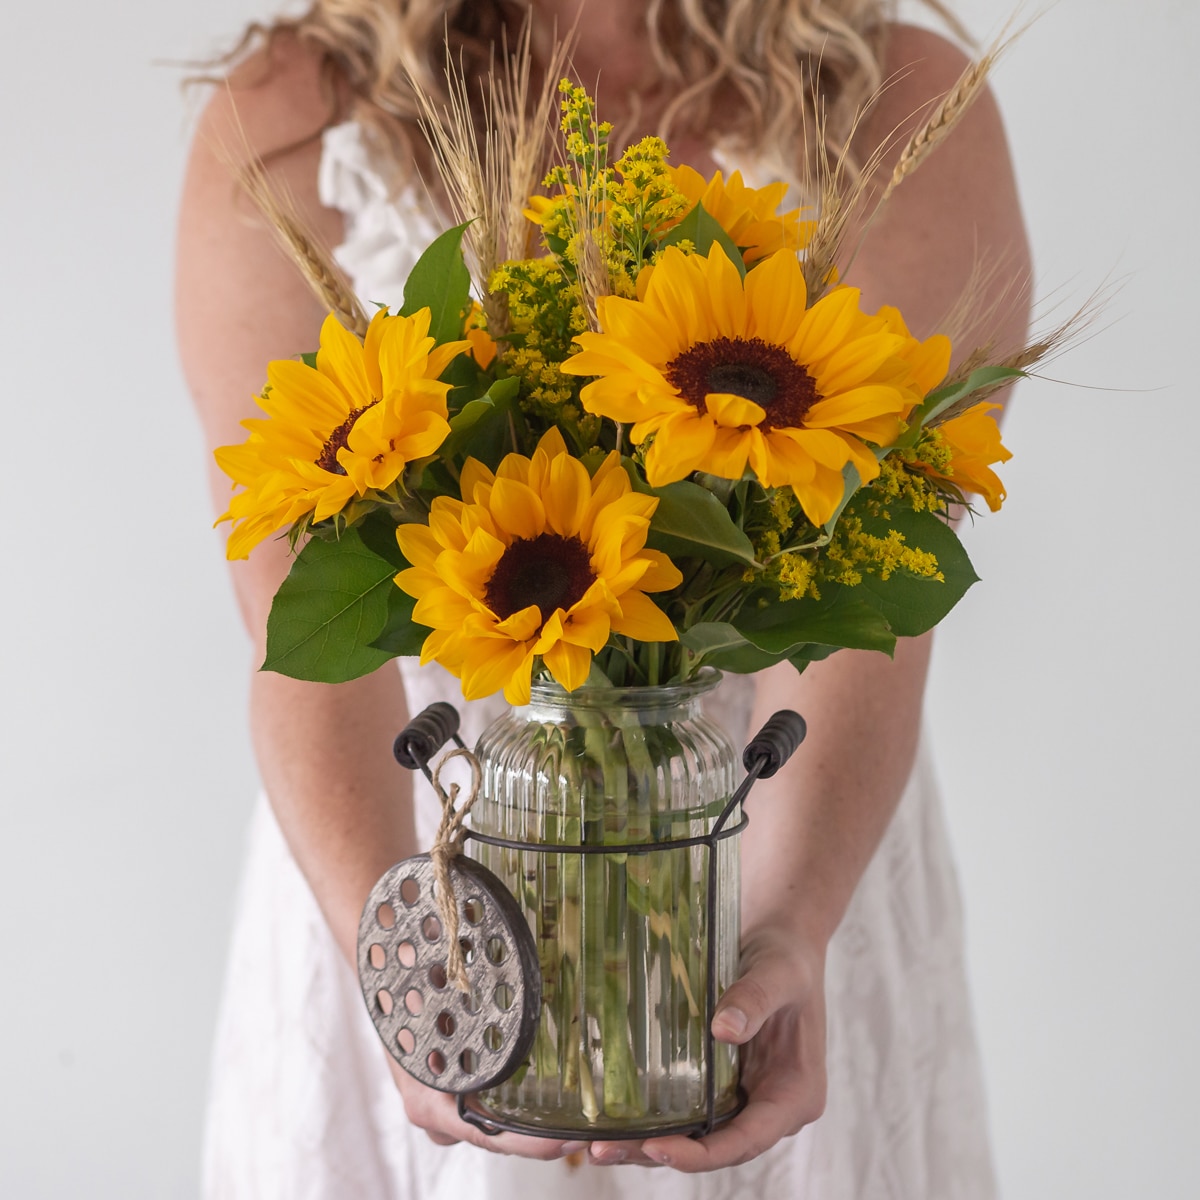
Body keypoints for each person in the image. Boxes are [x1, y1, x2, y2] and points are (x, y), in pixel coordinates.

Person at [177, 1, 1030, 1194]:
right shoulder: (288, 114)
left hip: (786, 845)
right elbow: (304, 630)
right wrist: (411, 963)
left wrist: (782, 926)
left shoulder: (896, 98)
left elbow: (870, 600)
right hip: (418, 856)